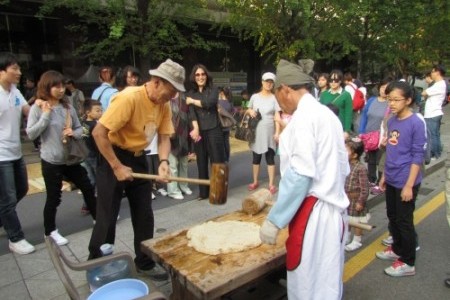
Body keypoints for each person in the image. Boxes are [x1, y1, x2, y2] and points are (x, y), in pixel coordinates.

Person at [88, 59, 185, 281]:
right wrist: (116, 166)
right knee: (107, 215)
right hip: (113, 155)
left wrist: (163, 162)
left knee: (144, 214)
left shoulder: (164, 104)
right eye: (172, 91)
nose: (173, 97)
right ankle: (95, 262)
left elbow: (163, 136)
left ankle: (144, 262)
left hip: (139, 157)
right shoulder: (129, 98)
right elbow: (98, 133)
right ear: (157, 82)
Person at [259, 59, 349, 299]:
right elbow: (344, 168)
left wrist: (275, 220)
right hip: (334, 212)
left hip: (314, 215)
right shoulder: (327, 115)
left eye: (278, 97)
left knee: (308, 284)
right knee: (327, 282)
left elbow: (300, 175)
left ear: (285, 89)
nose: (279, 104)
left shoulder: (303, 119)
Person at [26, 70, 97, 246]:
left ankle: (99, 219)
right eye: (56, 86)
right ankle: (50, 232)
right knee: (54, 197)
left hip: (71, 158)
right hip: (51, 160)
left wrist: (74, 132)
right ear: (46, 87)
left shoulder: (68, 107)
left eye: (62, 85)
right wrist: (45, 115)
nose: (60, 89)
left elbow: (81, 129)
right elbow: (31, 133)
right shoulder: (37, 107)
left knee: (87, 187)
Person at [375, 81, 426, 277]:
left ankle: (407, 261)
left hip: (407, 179)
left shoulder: (416, 123)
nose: (392, 104)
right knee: (393, 216)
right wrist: (385, 176)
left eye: (396, 100)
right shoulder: (392, 120)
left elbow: (417, 156)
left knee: (405, 221)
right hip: (392, 176)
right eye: (389, 99)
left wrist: (409, 186)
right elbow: (391, 150)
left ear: (409, 100)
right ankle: (396, 249)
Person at [0, 53, 35, 255]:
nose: (19, 72)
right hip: (1, 155)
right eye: (14, 68)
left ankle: (4, 217)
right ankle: (16, 238)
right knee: (8, 197)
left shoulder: (14, 91)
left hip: (16, 151)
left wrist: (39, 107)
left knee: (22, 188)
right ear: (2, 70)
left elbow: (27, 111)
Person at [186, 64, 226, 200]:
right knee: (201, 162)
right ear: (194, 77)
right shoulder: (190, 93)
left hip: (214, 129)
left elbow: (209, 102)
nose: (200, 77)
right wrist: (195, 128)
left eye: (202, 74)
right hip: (199, 132)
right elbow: (191, 113)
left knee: (217, 161)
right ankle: (203, 193)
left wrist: (192, 101)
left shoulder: (213, 89)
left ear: (206, 75)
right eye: (197, 75)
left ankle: (219, 192)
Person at [246, 72, 281, 195]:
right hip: (256, 132)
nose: (269, 84)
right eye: (267, 81)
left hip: (270, 131)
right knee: (256, 158)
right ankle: (255, 181)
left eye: (271, 82)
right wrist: (250, 111)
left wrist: (277, 132)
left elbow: (277, 115)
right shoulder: (255, 97)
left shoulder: (274, 98)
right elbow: (248, 109)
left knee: (270, 157)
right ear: (262, 82)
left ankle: (271, 184)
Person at [359, 77, 391, 195]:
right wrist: (361, 131)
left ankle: (380, 182)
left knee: (381, 159)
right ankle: (371, 179)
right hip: (369, 135)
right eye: (382, 87)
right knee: (370, 159)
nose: (384, 90)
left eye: (387, 88)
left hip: (382, 136)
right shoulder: (372, 100)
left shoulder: (390, 103)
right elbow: (364, 116)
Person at [344, 137, 370, 252]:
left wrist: (361, 201)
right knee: (347, 219)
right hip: (346, 198)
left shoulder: (361, 168)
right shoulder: (345, 165)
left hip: (356, 199)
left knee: (357, 221)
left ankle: (357, 240)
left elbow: (365, 187)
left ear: (354, 155)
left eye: (346, 151)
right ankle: (346, 237)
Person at [166, 92, 192, 200]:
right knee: (172, 165)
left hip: (184, 134)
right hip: (170, 135)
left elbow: (190, 116)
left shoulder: (185, 97)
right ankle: (173, 190)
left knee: (184, 163)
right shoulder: (166, 98)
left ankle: (183, 186)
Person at [80, 99, 103, 214]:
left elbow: (84, 139)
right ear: (88, 112)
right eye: (97, 110)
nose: (100, 113)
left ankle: (86, 205)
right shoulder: (95, 125)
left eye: (101, 110)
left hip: (86, 155)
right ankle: (100, 205)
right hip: (95, 155)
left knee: (90, 181)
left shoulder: (83, 123)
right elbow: (96, 142)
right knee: (100, 180)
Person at [421, 64, 446, 160]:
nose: (431, 73)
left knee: (431, 135)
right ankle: (437, 152)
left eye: (432, 71)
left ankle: (434, 154)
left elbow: (424, 93)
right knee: (435, 134)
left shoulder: (440, 84)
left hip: (433, 113)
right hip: (434, 113)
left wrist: (426, 92)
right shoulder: (438, 84)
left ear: (437, 72)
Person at [218, 86, 234, 162]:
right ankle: (227, 157)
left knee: (220, 142)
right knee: (226, 142)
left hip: (220, 125)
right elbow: (233, 111)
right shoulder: (230, 102)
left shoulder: (219, 102)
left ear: (222, 93)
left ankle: (222, 158)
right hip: (227, 125)